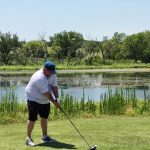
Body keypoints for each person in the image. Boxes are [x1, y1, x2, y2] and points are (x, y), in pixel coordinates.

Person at [25, 61, 61, 146]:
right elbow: (47, 93)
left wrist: (57, 99)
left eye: (53, 72)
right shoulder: (39, 77)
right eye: (50, 72)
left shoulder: (52, 74)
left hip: (45, 100)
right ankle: (28, 138)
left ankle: (45, 137)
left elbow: (54, 86)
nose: (52, 74)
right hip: (33, 98)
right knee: (32, 118)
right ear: (45, 69)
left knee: (44, 117)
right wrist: (55, 103)